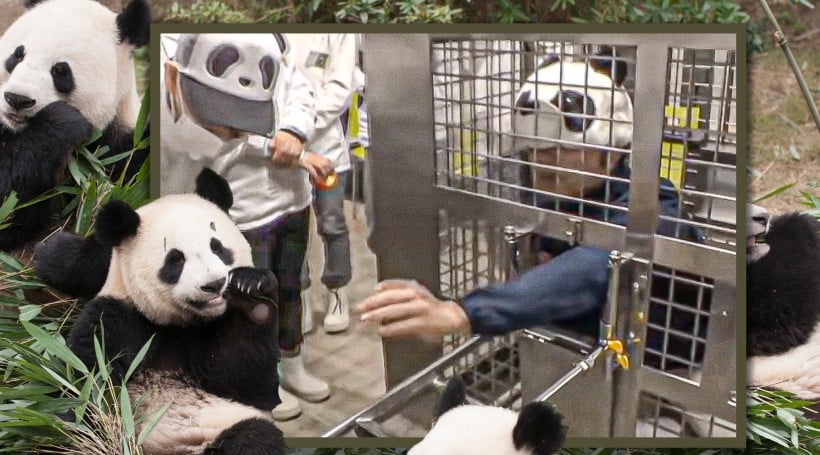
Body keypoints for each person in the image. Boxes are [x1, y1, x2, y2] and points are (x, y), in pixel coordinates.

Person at [359, 53, 699, 355]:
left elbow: (600, 263)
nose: (543, 161)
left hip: (668, 363)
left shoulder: (654, 202)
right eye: (535, 149)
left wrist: (463, 313)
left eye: (559, 148)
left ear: (611, 152)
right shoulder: (554, 197)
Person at [161, 33, 334, 420]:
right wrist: (287, 149)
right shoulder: (182, 66)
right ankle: (260, 378)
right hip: (240, 212)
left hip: (292, 202)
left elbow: (301, 92)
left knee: (290, 288)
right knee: (248, 305)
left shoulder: (277, 54)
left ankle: (293, 365)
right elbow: (215, 136)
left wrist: (294, 131)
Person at [287, 33, 360, 334]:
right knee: (293, 225)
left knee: (331, 222)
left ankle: (337, 291)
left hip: (326, 150)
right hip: (288, 156)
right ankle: (299, 295)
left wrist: (298, 127)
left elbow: (340, 88)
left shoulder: (340, 33)